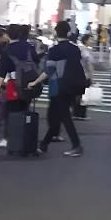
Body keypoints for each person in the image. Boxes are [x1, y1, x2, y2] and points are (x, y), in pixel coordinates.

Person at [28, 20, 85, 157]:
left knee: (63, 116)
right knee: (57, 116)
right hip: (73, 86)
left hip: (58, 87)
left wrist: (35, 82)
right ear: (68, 32)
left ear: (56, 32)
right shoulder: (75, 49)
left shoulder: (54, 50)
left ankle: (76, 145)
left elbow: (49, 70)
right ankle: (44, 144)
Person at [0, 24, 39, 148]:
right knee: (24, 109)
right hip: (28, 82)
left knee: (10, 110)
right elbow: (36, 60)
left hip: (14, 83)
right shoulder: (29, 47)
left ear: (8, 35)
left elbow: (1, 71)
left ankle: (8, 138)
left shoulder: (7, 49)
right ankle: (23, 136)